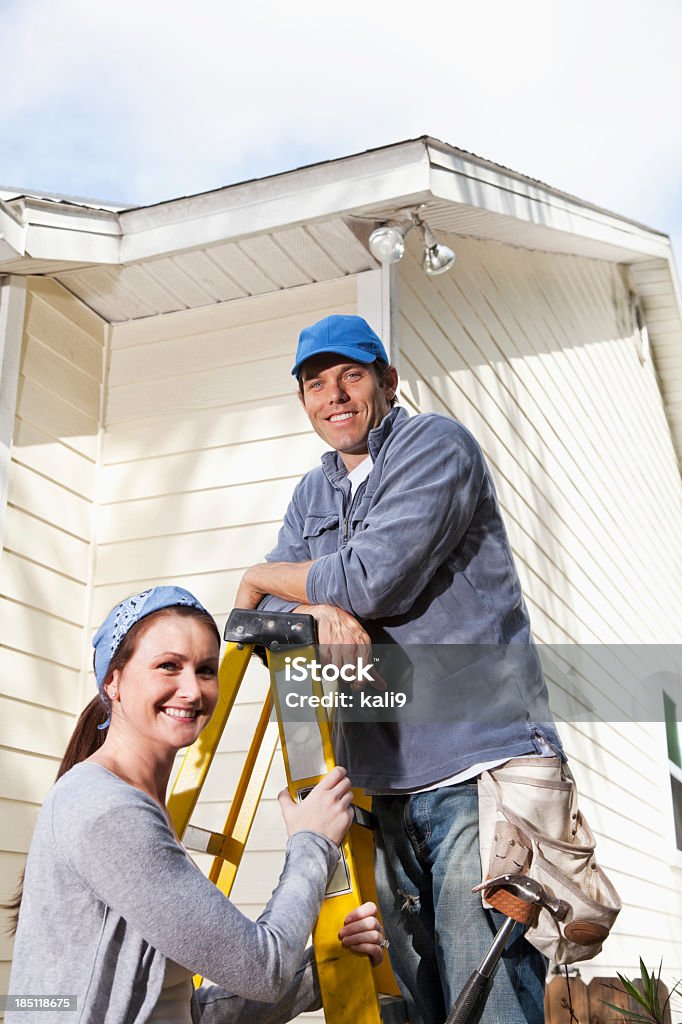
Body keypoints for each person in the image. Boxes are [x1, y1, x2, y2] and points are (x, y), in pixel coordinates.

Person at [234, 315, 565, 1024]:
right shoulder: (311, 494)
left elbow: (370, 579)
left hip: (473, 768)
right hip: (379, 783)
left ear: (386, 381)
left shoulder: (435, 446)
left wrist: (272, 573)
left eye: (351, 375)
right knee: (412, 998)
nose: (335, 396)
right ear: (305, 403)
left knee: (491, 996)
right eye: (315, 385)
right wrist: (318, 609)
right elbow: (271, 619)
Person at [5, 585, 384, 1023]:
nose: (191, 689)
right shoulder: (107, 811)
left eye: (206, 669)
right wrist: (312, 842)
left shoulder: (130, 801)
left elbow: (183, 1011)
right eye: (168, 666)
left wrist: (326, 969)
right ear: (114, 680)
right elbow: (262, 969)